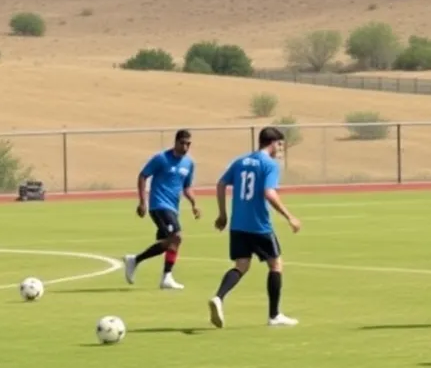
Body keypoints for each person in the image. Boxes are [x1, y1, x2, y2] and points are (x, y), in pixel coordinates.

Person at [208, 127, 302, 329]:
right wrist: (289, 216)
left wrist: (223, 214)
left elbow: (220, 184)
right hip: (259, 225)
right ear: (273, 143)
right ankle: (274, 315)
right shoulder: (269, 164)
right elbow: (269, 193)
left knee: (241, 265)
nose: (280, 149)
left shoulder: (240, 161)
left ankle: (218, 297)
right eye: (280, 145)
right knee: (276, 264)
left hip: (238, 225)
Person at [124, 129, 200, 290]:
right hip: (159, 205)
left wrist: (194, 203)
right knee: (177, 237)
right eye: (182, 143)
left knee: (167, 244)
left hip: (173, 208)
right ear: (176, 142)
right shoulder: (161, 159)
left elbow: (186, 187)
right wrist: (142, 201)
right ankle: (166, 278)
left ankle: (135, 260)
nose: (185, 147)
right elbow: (143, 176)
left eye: (188, 144)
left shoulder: (189, 164)